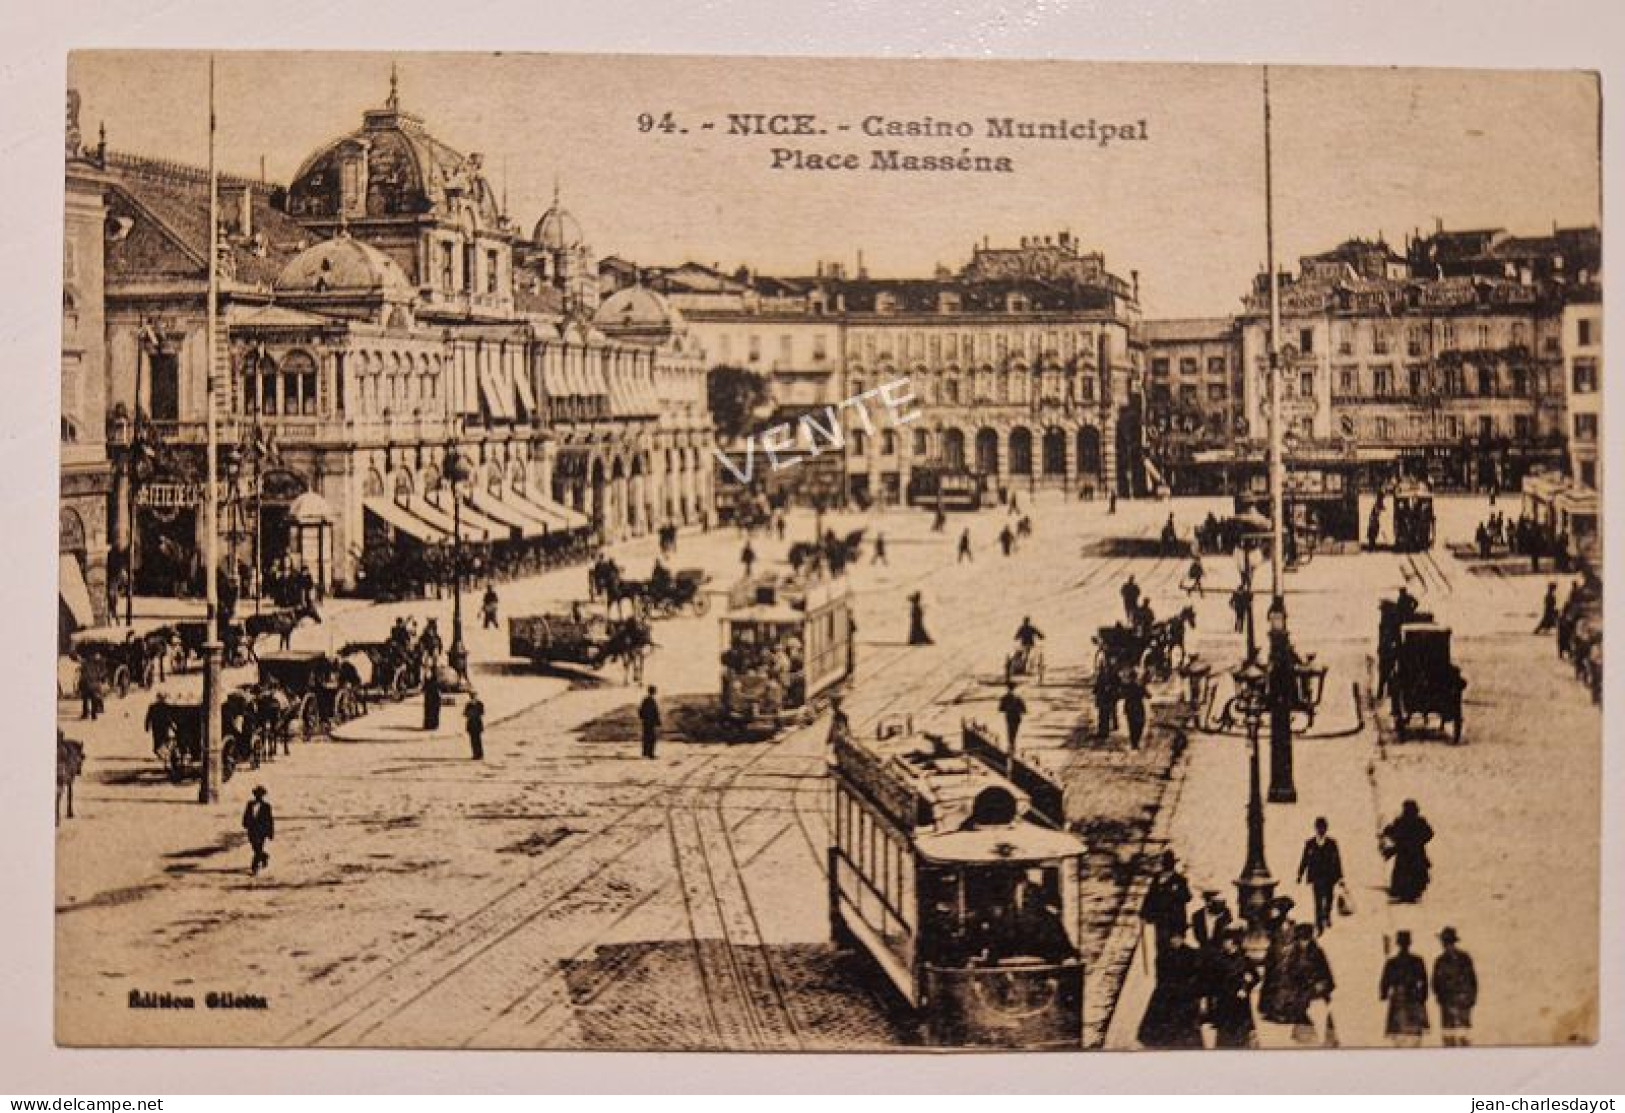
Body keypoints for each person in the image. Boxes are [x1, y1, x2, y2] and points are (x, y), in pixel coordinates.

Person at [1137, 931, 1205, 1049]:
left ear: (1182, 938)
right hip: (1167, 990)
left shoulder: (1192, 953)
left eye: (1177, 938)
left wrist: (1189, 989)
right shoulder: (1164, 954)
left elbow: (1196, 975)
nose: (1174, 941)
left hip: (1185, 992)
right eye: (1172, 938)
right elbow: (1160, 976)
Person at [1283, 921, 1337, 1044]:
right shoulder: (1293, 955)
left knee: (1321, 1016)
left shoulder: (1318, 953)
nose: (1303, 943)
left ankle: (1328, 1039)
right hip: (1301, 992)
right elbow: (1289, 973)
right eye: (1301, 940)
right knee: (1303, 1015)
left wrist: (1323, 985)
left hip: (1317, 991)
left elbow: (1326, 972)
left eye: (1306, 939)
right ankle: (1305, 1038)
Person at [1206, 928, 1259, 1048]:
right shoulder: (1219, 960)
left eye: (1228, 941)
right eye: (1224, 941)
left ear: (1234, 942)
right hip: (1224, 999)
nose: (1225, 944)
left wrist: (1247, 988)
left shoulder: (1245, 960)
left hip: (1240, 1000)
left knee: (1241, 1031)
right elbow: (1213, 979)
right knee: (1224, 1034)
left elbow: (1256, 977)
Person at [1380, 930, 1431, 1047]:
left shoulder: (1392, 962)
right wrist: (1423, 997)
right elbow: (1424, 982)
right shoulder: (1417, 960)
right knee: (1414, 1036)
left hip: (1400, 999)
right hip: (1414, 999)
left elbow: (1384, 982)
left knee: (1400, 1036)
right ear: (1409, 943)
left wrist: (1383, 994)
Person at [1297, 816, 1345, 934]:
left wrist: (1340, 877)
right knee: (1318, 901)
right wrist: (1300, 874)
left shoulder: (1332, 843)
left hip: (1329, 877)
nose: (1321, 830)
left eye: (1323, 828)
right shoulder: (1310, 843)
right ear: (1316, 829)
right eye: (1319, 828)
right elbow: (1305, 860)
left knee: (1329, 899)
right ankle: (1319, 924)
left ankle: (1327, 915)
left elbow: (1337, 861)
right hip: (1317, 877)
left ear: (1326, 829)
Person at [1139, 850, 1191, 957]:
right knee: (1161, 950)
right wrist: (1144, 913)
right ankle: (1161, 972)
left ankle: (1175, 973)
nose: (1167, 868)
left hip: (1176, 922)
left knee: (1176, 951)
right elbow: (1150, 896)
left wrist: (1173, 891)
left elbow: (1187, 897)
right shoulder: (1157, 879)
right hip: (1161, 921)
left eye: (1169, 865)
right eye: (1165, 864)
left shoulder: (1180, 880)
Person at [1433, 927, 1478, 1047]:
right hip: (1455, 1002)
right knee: (1454, 1036)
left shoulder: (1443, 960)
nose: (1445, 945)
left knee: (1457, 1036)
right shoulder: (1461, 958)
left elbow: (1472, 981)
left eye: (1445, 942)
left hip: (1455, 1003)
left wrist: (1470, 999)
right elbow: (1436, 984)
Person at [1382, 799, 1434, 903]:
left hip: (1406, 854)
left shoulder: (1402, 821)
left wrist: (1387, 832)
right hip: (1416, 854)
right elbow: (1429, 834)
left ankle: (1405, 892)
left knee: (1404, 872)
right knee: (1415, 873)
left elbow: (1394, 834)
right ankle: (1411, 892)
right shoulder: (1419, 821)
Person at [242, 785, 274, 875]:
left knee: (258, 848)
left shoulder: (267, 806)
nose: (258, 796)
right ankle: (264, 856)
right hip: (251, 831)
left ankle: (254, 867)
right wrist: (245, 823)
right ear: (254, 795)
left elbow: (270, 820)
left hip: (261, 831)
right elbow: (246, 815)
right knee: (255, 848)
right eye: (257, 795)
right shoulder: (250, 804)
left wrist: (270, 832)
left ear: (263, 796)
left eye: (260, 795)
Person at [1121, 668, 1149, 750]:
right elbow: (1148, 695)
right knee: (1140, 724)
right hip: (1138, 707)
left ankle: (1134, 743)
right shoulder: (1139, 685)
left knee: (1131, 725)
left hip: (1129, 707)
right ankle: (1136, 742)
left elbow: (1122, 694)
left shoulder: (1127, 686)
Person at [998, 682, 1026, 754]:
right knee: (1014, 731)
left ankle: (1011, 745)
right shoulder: (1018, 697)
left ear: (1007, 689)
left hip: (1009, 716)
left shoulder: (1004, 698)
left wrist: (1008, 708)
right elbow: (1024, 710)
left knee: (1010, 731)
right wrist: (1017, 709)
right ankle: (1012, 745)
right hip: (1017, 717)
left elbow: (1000, 709)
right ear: (1015, 689)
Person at [638, 685, 661, 759]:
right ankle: (650, 753)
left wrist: (643, 718)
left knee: (646, 737)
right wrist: (657, 721)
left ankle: (645, 752)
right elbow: (655, 712)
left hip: (646, 722)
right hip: (650, 722)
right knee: (651, 738)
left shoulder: (646, 700)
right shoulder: (651, 701)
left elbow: (640, 711)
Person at [463, 690, 485, 760]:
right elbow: (464, 713)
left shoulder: (480, 704)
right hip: (471, 724)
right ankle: (475, 754)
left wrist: (473, 713)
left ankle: (480, 754)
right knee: (473, 741)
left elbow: (482, 712)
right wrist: (469, 714)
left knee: (478, 740)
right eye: (471, 696)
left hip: (477, 723)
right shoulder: (468, 704)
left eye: (474, 695)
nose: (473, 697)